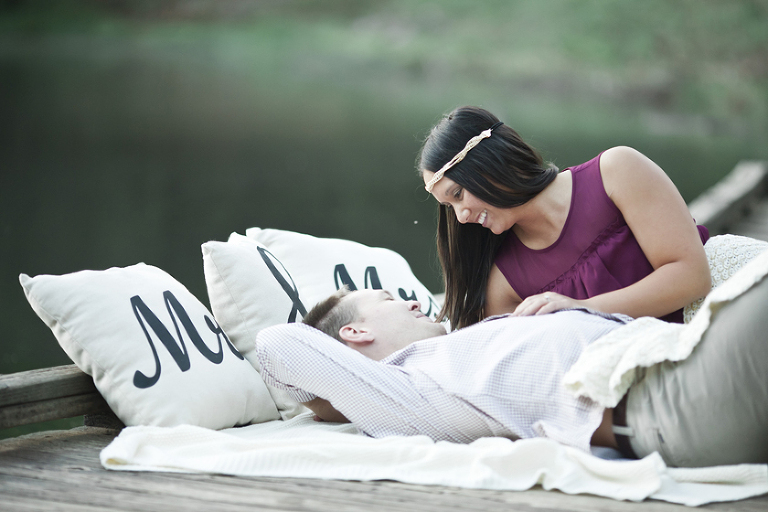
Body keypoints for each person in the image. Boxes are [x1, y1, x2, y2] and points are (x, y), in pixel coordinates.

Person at [256, 279, 768, 468]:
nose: (413, 301)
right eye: (388, 299)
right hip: (674, 397)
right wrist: (335, 401)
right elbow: (276, 345)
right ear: (355, 333)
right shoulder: (406, 392)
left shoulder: (448, 350)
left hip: (686, 364)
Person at [417, 106, 711, 329]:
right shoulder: (503, 285)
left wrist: (581, 309)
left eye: (458, 194)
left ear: (488, 163)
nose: (461, 217)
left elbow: (692, 277)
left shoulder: (617, 172)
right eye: (449, 207)